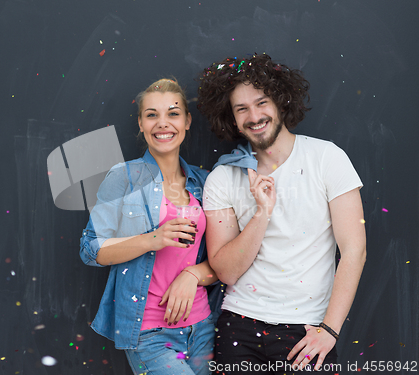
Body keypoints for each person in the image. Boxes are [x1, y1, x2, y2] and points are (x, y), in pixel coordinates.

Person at [197, 54, 366, 374]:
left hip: (307, 332)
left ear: (280, 101)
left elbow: (354, 251)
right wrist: (262, 212)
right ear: (231, 118)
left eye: (261, 102)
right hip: (238, 329)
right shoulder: (223, 177)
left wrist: (330, 330)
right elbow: (227, 272)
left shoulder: (327, 159)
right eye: (241, 108)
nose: (254, 115)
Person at [80, 78, 218, 375]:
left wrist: (193, 276)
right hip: (149, 333)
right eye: (152, 115)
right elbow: (90, 249)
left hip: (203, 325)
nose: (162, 123)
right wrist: (152, 239)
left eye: (173, 113)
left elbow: (223, 259)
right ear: (141, 124)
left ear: (187, 121)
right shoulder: (124, 177)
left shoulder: (205, 182)